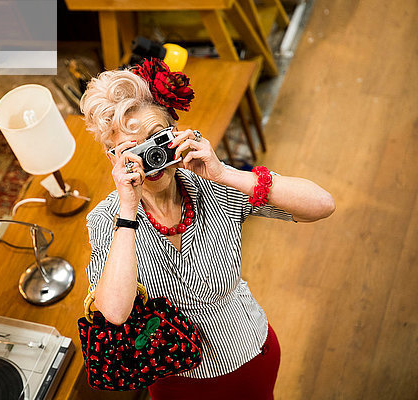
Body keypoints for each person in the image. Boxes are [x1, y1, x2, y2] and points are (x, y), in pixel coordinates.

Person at [79, 59, 335, 399]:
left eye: (157, 140)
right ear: (113, 158)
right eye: (133, 151)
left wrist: (226, 173)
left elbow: (322, 205)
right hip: (173, 373)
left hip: (247, 354)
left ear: (176, 131)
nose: (152, 160)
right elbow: (114, 311)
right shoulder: (105, 219)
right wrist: (128, 209)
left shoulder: (213, 187)